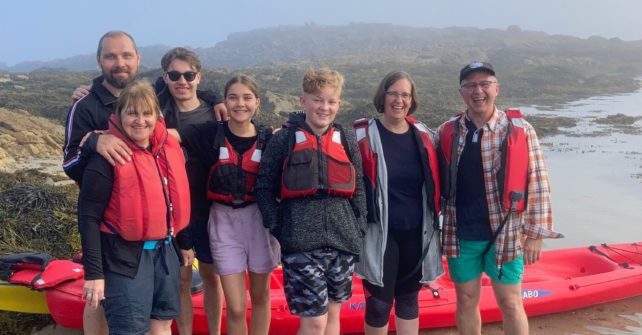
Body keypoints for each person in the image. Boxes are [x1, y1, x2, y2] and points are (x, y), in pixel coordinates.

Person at [63, 31, 225, 334]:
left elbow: (187, 85)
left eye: (126, 56)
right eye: (111, 56)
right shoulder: (84, 106)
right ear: (99, 60)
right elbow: (69, 163)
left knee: (159, 317)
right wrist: (93, 143)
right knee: (99, 304)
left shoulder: (151, 94)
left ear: (138, 59)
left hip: (159, 239)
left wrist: (217, 99)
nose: (119, 62)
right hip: (112, 233)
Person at [435, 61, 563, 335]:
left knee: (511, 302)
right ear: (461, 92)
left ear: (497, 89)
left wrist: (535, 234)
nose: (477, 91)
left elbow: (539, 182)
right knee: (467, 300)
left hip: (506, 232)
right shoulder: (447, 131)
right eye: (470, 85)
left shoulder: (519, 130)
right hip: (461, 232)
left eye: (484, 84)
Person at [255, 68, 367, 335]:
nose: (324, 107)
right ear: (303, 101)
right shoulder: (284, 139)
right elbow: (264, 187)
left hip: (342, 239)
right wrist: (278, 226)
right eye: (317, 99)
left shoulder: (347, 138)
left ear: (338, 104)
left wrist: (358, 225)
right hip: (300, 241)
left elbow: (359, 184)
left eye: (330, 101)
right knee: (315, 321)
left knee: (333, 314)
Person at [78, 80, 191, 335]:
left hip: (164, 253)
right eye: (131, 113)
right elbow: (88, 218)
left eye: (146, 113)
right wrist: (94, 274)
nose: (140, 121)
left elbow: (172, 199)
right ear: (119, 115)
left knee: (162, 323)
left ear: (156, 116)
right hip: (123, 258)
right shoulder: (106, 159)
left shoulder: (168, 150)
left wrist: (184, 241)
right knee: (130, 330)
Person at [172, 74, 280, 335]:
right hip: (223, 223)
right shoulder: (209, 134)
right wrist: (106, 134)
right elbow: (166, 134)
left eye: (246, 98)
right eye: (233, 97)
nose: (239, 103)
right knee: (235, 307)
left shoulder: (271, 139)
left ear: (257, 103)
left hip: (259, 223)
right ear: (225, 102)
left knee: (261, 296)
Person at [353, 71, 444, 334]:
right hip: (379, 234)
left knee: (408, 300)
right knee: (379, 306)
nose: (399, 100)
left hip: (416, 233)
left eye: (405, 94)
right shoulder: (363, 135)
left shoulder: (424, 135)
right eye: (393, 93)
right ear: (383, 95)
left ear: (412, 99)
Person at [158, 47, 223, 335]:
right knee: (182, 280)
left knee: (212, 278)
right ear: (165, 77)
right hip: (172, 212)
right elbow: (125, 102)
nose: (182, 81)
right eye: (174, 75)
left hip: (211, 209)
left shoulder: (215, 113)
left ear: (199, 77)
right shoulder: (159, 112)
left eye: (188, 75)